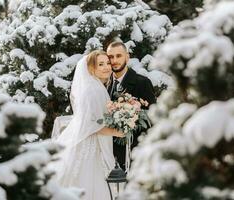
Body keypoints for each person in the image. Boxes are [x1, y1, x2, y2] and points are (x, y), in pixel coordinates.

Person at [52, 50, 124, 200]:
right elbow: (92, 126)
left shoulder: (96, 87)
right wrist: (116, 132)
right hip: (90, 147)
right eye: (101, 64)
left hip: (93, 143)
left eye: (108, 63)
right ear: (91, 68)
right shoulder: (92, 91)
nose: (107, 67)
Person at [106, 41, 156, 171]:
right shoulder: (104, 85)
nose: (114, 60)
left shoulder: (142, 83)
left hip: (133, 157)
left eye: (119, 56)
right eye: (111, 57)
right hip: (107, 156)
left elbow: (152, 121)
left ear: (127, 57)